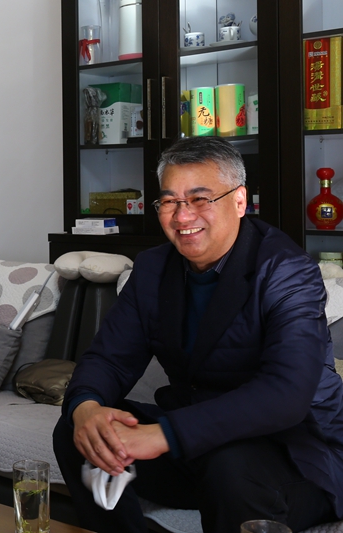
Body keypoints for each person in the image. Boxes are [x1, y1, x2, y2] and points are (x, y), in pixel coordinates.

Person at [53, 136, 343, 533]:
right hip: (198, 447)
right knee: (81, 432)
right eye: (169, 201)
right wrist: (86, 407)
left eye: (200, 199)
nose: (182, 215)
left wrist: (165, 434)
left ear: (239, 201)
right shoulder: (153, 268)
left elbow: (286, 394)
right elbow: (109, 358)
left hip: (294, 456)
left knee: (231, 465)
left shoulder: (287, 270)